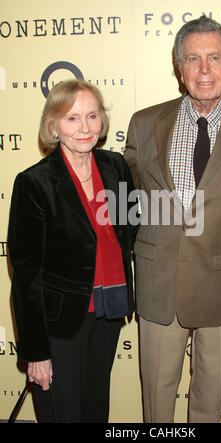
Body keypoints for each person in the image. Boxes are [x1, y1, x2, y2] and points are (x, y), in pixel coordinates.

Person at [124, 16, 221, 423]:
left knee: (209, 401)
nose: (204, 70)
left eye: (214, 58)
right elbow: (126, 203)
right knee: (156, 401)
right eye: (193, 59)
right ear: (179, 67)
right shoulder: (143, 123)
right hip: (159, 284)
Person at [8, 79, 138, 423]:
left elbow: (128, 228)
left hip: (109, 310)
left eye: (92, 116)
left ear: (102, 122)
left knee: (96, 407)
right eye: (72, 118)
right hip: (61, 321)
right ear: (53, 126)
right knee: (64, 413)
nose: (84, 127)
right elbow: (25, 277)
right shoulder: (34, 183)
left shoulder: (115, 167)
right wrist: (35, 352)